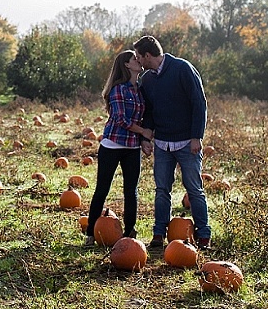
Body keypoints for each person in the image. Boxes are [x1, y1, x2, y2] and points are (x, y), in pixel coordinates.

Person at [133, 35, 211, 250]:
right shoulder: (147, 80)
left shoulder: (182, 69)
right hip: (162, 143)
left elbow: (199, 103)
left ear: (147, 55)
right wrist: (146, 138)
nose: (137, 60)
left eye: (139, 56)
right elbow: (149, 112)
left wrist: (197, 136)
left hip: (187, 142)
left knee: (194, 189)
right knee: (162, 190)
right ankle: (159, 233)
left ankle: (204, 235)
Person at [84, 50, 154, 247]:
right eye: (135, 59)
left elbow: (145, 115)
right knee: (102, 189)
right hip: (112, 145)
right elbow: (121, 119)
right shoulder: (118, 89)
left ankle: (130, 231)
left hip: (132, 146)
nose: (139, 61)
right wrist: (143, 132)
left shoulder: (140, 90)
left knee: (131, 191)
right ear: (126, 65)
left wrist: (144, 139)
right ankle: (90, 233)